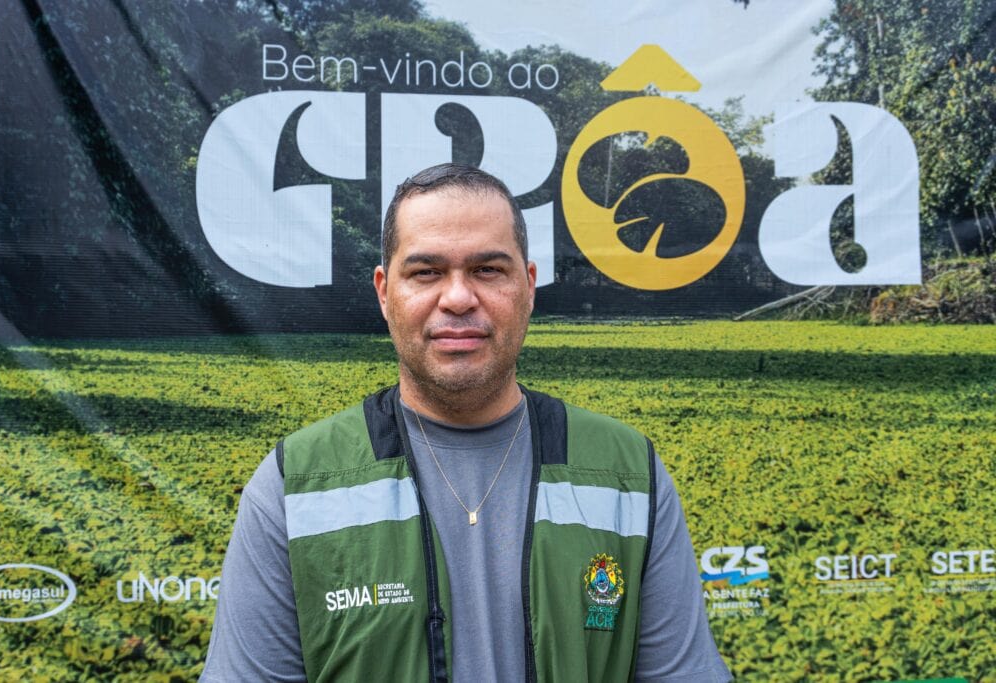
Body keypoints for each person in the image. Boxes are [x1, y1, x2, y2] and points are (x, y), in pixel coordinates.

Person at [201, 163, 732, 682]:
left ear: (527, 287)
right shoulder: (294, 484)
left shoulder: (628, 475)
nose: (457, 298)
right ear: (386, 292)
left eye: (487, 270)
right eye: (426, 272)